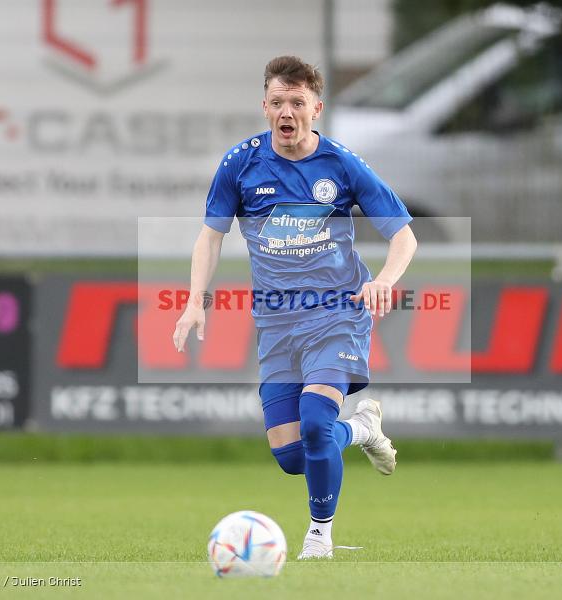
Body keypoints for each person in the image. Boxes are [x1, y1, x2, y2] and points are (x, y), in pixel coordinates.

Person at [172, 55, 417, 559]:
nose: (287, 111)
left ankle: (319, 536)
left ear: (316, 109)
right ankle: (362, 427)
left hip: (337, 314)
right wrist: (194, 300)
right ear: (265, 107)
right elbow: (210, 236)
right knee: (291, 455)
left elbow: (404, 236)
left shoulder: (342, 165)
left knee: (314, 422)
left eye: (298, 102)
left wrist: (386, 281)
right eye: (278, 102)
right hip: (276, 324)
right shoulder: (240, 163)